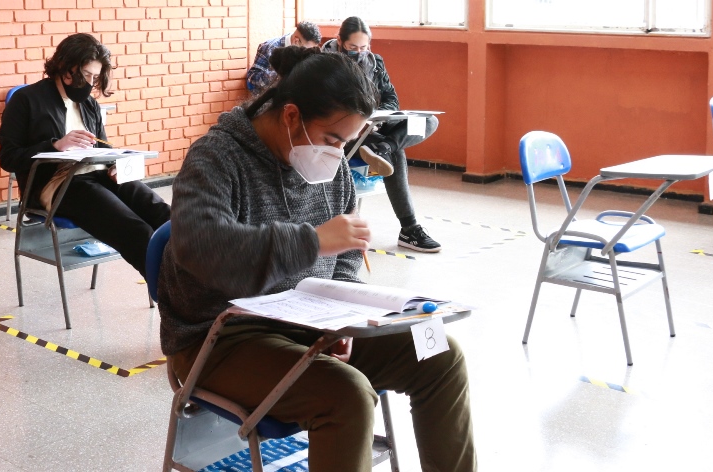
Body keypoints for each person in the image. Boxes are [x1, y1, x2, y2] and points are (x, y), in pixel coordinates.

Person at [159, 46, 476, 472]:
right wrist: (311, 242)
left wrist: (345, 317)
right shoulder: (216, 158)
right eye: (332, 139)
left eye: (347, 142)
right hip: (218, 338)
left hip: (307, 327)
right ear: (291, 116)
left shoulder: (331, 169)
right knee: (345, 395)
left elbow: (346, 261)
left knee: (439, 353)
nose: (338, 153)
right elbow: (204, 250)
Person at [0, 33, 170, 278]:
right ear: (66, 69)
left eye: (95, 77)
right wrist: (55, 144)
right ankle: (175, 297)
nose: (90, 83)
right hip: (58, 184)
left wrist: (116, 164)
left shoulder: (89, 104)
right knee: (136, 230)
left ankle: (197, 281)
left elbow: (103, 146)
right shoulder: (27, 100)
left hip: (99, 174)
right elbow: (9, 158)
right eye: (85, 75)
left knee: (164, 215)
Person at [321, 17, 442, 253]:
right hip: (345, 131)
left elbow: (391, 98)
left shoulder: (375, 62)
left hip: (376, 127)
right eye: (352, 48)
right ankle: (409, 229)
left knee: (429, 120)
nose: (359, 53)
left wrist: (379, 116)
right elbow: (327, 106)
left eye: (364, 48)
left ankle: (384, 147)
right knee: (397, 155)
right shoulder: (326, 65)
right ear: (339, 42)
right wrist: (360, 117)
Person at [245, 21, 322, 94]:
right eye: (307, 49)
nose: (308, 53)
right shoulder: (270, 47)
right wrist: (281, 73)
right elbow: (251, 80)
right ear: (296, 41)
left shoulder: (305, 52)